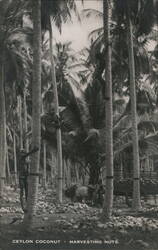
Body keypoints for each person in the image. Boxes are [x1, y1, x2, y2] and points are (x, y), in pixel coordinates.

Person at [18, 146, 39, 211]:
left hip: (25, 178)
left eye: (23, 153)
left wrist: (36, 174)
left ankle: (27, 206)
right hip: (21, 178)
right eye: (22, 153)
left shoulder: (26, 163)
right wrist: (34, 150)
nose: (23, 154)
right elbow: (27, 154)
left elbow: (28, 173)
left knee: (27, 192)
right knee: (22, 192)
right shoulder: (21, 159)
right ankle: (23, 207)